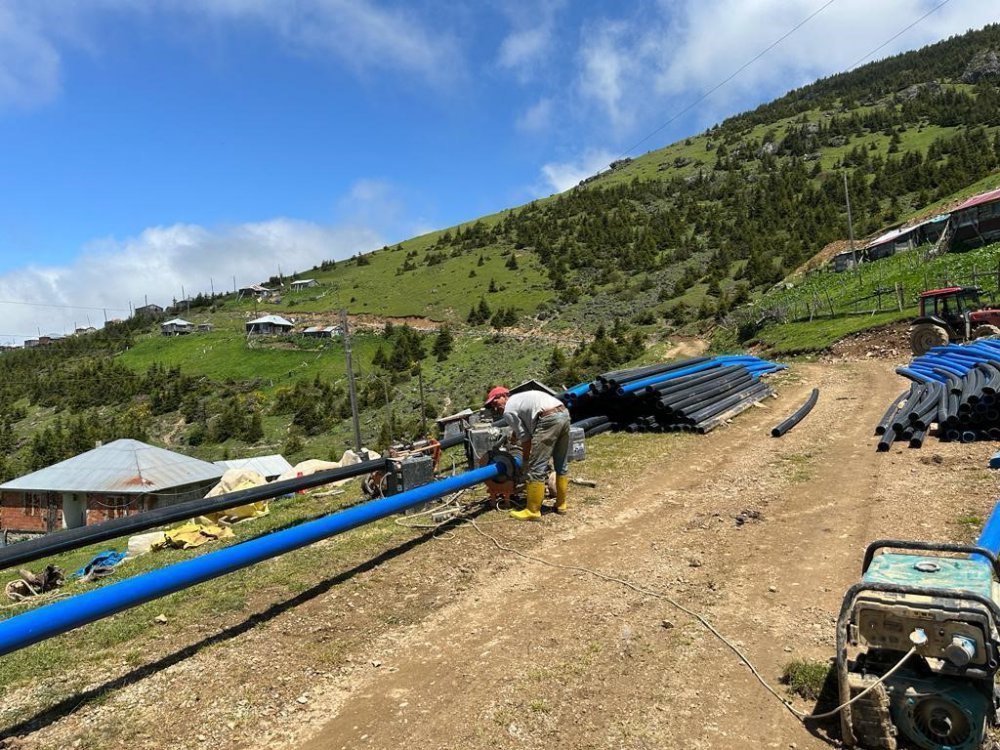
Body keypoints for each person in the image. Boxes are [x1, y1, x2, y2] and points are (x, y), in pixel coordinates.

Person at [484, 385, 571, 521]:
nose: (495, 408)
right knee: (561, 463)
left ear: (504, 396)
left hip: (548, 419)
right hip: (563, 414)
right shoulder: (519, 400)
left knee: (536, 468)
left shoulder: (508, 410)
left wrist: (525, 461)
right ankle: (561, 505)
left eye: (495, 402)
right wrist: (514, 435)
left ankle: (532, 511)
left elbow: (526, 440)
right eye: (492, 406)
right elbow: (524, 422)